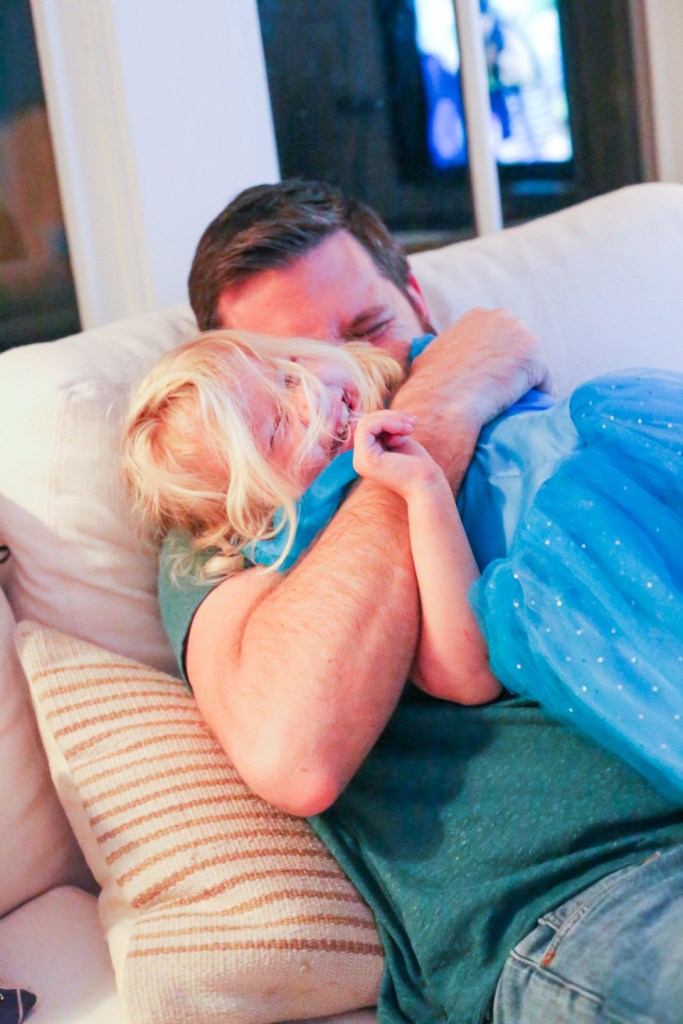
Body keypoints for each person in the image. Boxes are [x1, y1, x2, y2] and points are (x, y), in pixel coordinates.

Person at [153, 180, 683, 1024]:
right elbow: (294, 753)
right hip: (589, 893)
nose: (328, 388)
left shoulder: (521, 404)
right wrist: (436, 415)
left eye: (366, 329)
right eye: (290, 363)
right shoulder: (231, 526)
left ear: (415, 298)